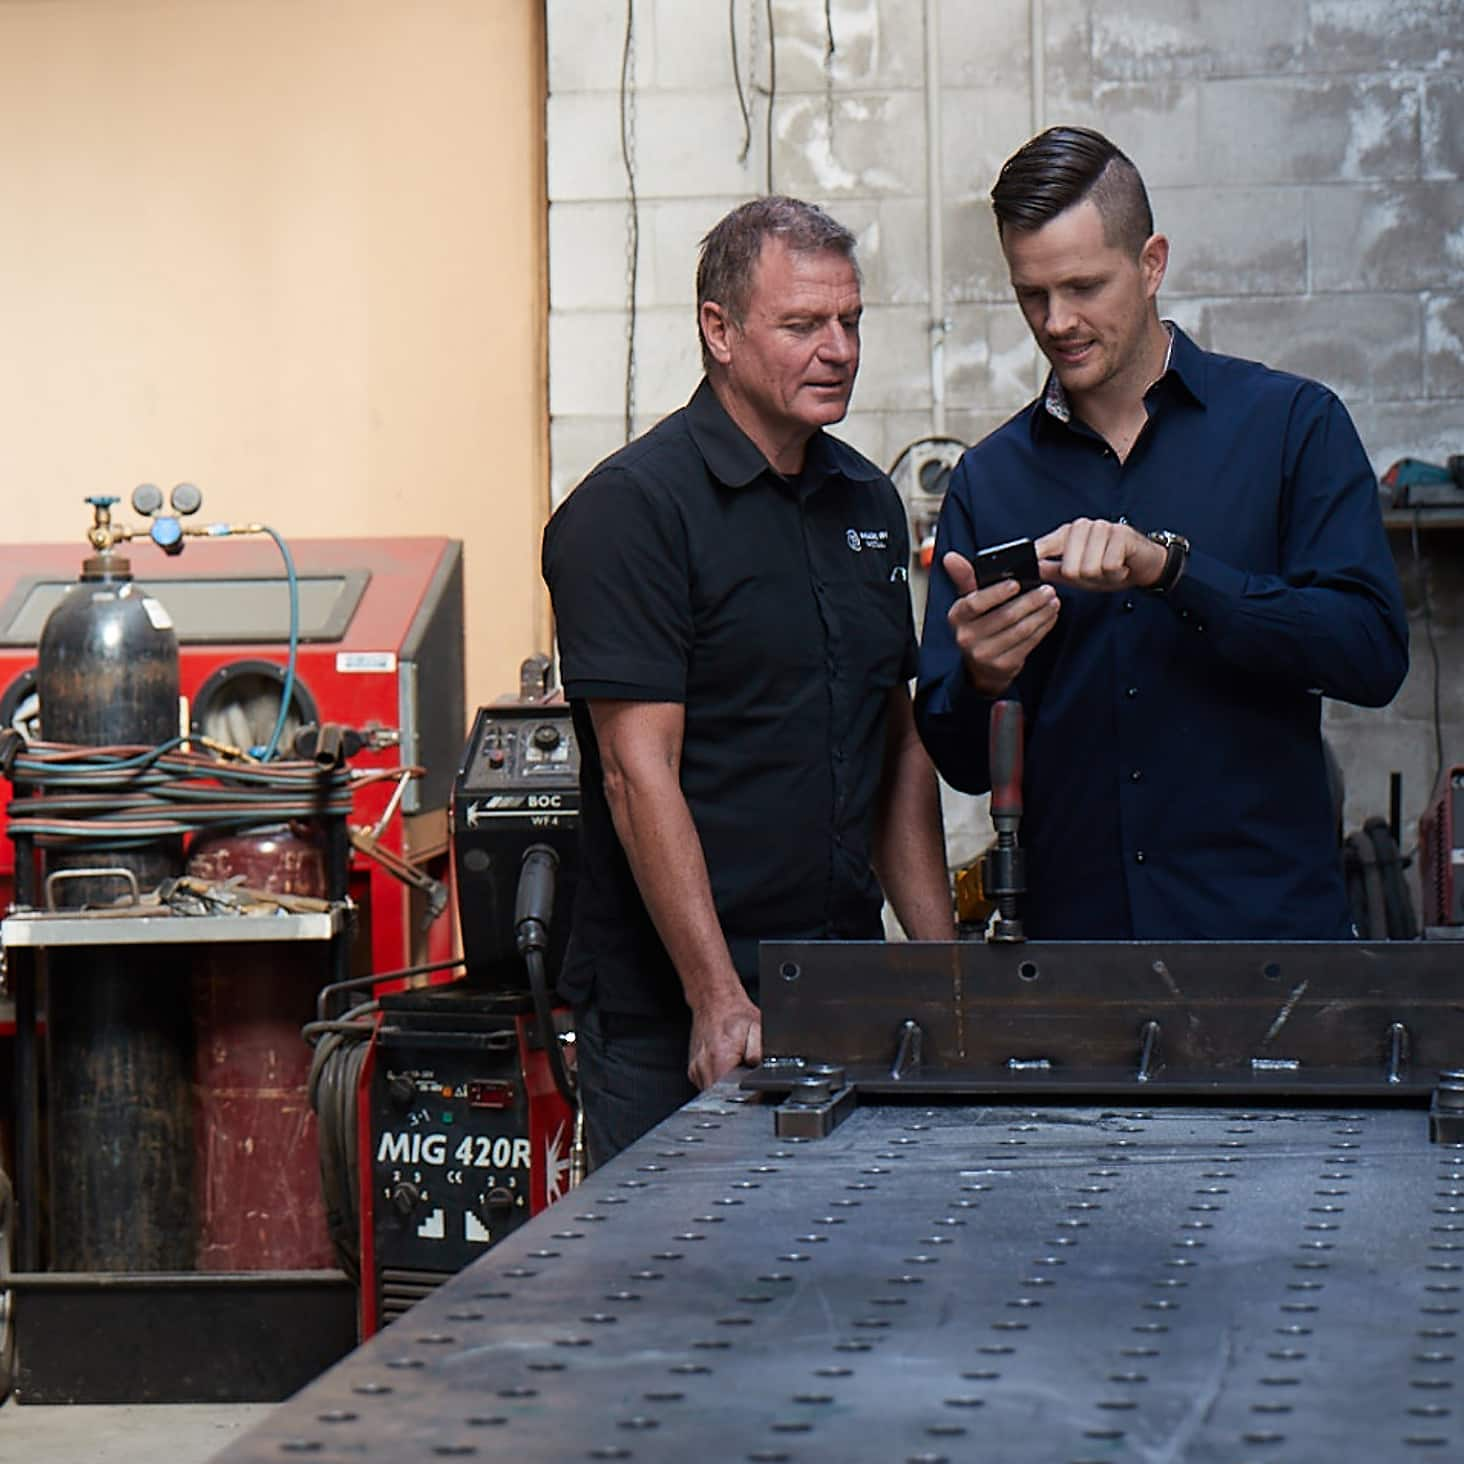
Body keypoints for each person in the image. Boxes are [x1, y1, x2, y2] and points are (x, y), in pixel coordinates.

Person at [915, 126, 1408, 941]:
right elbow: (964, 764)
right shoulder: (990, 481)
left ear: (1151, 264)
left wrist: (1174, 571)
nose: (1057, 321)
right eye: (1031, 294)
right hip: (1076, 963)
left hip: (1268, 954)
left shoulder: (1291, 427)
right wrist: (977, 677)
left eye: (1082, 286)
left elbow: (1371, 654)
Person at [542, 196, 954, 1165]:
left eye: (850, 320)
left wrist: (942, 971)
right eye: (804, 324)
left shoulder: (866, 502)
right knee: (678, 1296)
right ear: (718, 332)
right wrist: (716, 996)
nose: (840, 349)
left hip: (841, 992)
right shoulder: (630, 512)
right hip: (672, 1017)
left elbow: (893, 745)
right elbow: (636, 773)